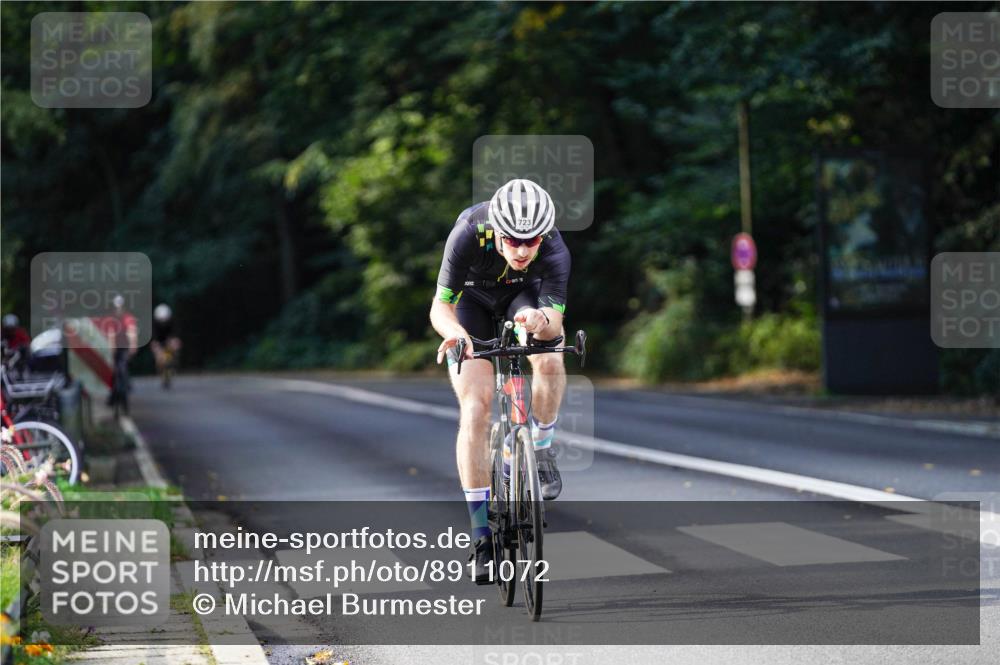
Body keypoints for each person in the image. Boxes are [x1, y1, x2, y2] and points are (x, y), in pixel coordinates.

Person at [429, 179, 570, 584]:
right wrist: (456, 335)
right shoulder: (468, 232)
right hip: (471, 305)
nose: (523, 250)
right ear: (496, 231)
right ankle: (480, 535)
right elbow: (441, 306)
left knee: (550, 359)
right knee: (476, 409)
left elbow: (554, 321)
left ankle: (540, 448)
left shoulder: (554, 247)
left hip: (524, 299)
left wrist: (540, 321)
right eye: (513, 241)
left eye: (531, 241)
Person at [98, 294, 138, 408]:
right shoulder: (110, 320)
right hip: (113, 346)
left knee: (124, 366)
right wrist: (112, 350)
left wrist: (133, 345)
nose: (119, 309)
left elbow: (131, 332)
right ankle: (112, 394)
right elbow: (111, 336)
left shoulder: (128, 318)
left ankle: (126, 385)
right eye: (117, 307)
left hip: (124, 347)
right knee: (112, 370)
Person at [150, 303, 181, 387]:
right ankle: (161, 372)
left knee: (174, 348)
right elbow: (154, 340)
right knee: (159, 357)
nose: (163, 322)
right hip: (158, 341)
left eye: (165, 320)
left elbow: (175, 335)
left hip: (169, 340)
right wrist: (157, 349)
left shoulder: (173, 322)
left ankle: (173, 364)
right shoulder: (154, 325)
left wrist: (175, 342)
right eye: (161, 320)